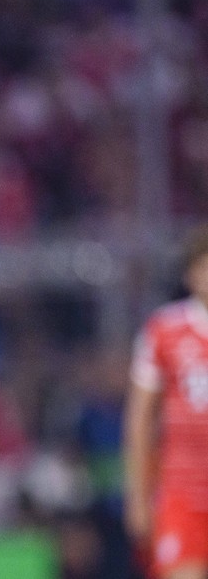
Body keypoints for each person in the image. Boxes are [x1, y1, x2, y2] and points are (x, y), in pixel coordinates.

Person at [124, 224, 208, 579]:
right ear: (191, 274)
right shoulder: (165, 330)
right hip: (182, 494)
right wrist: (138, 499)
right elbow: (140, 420)